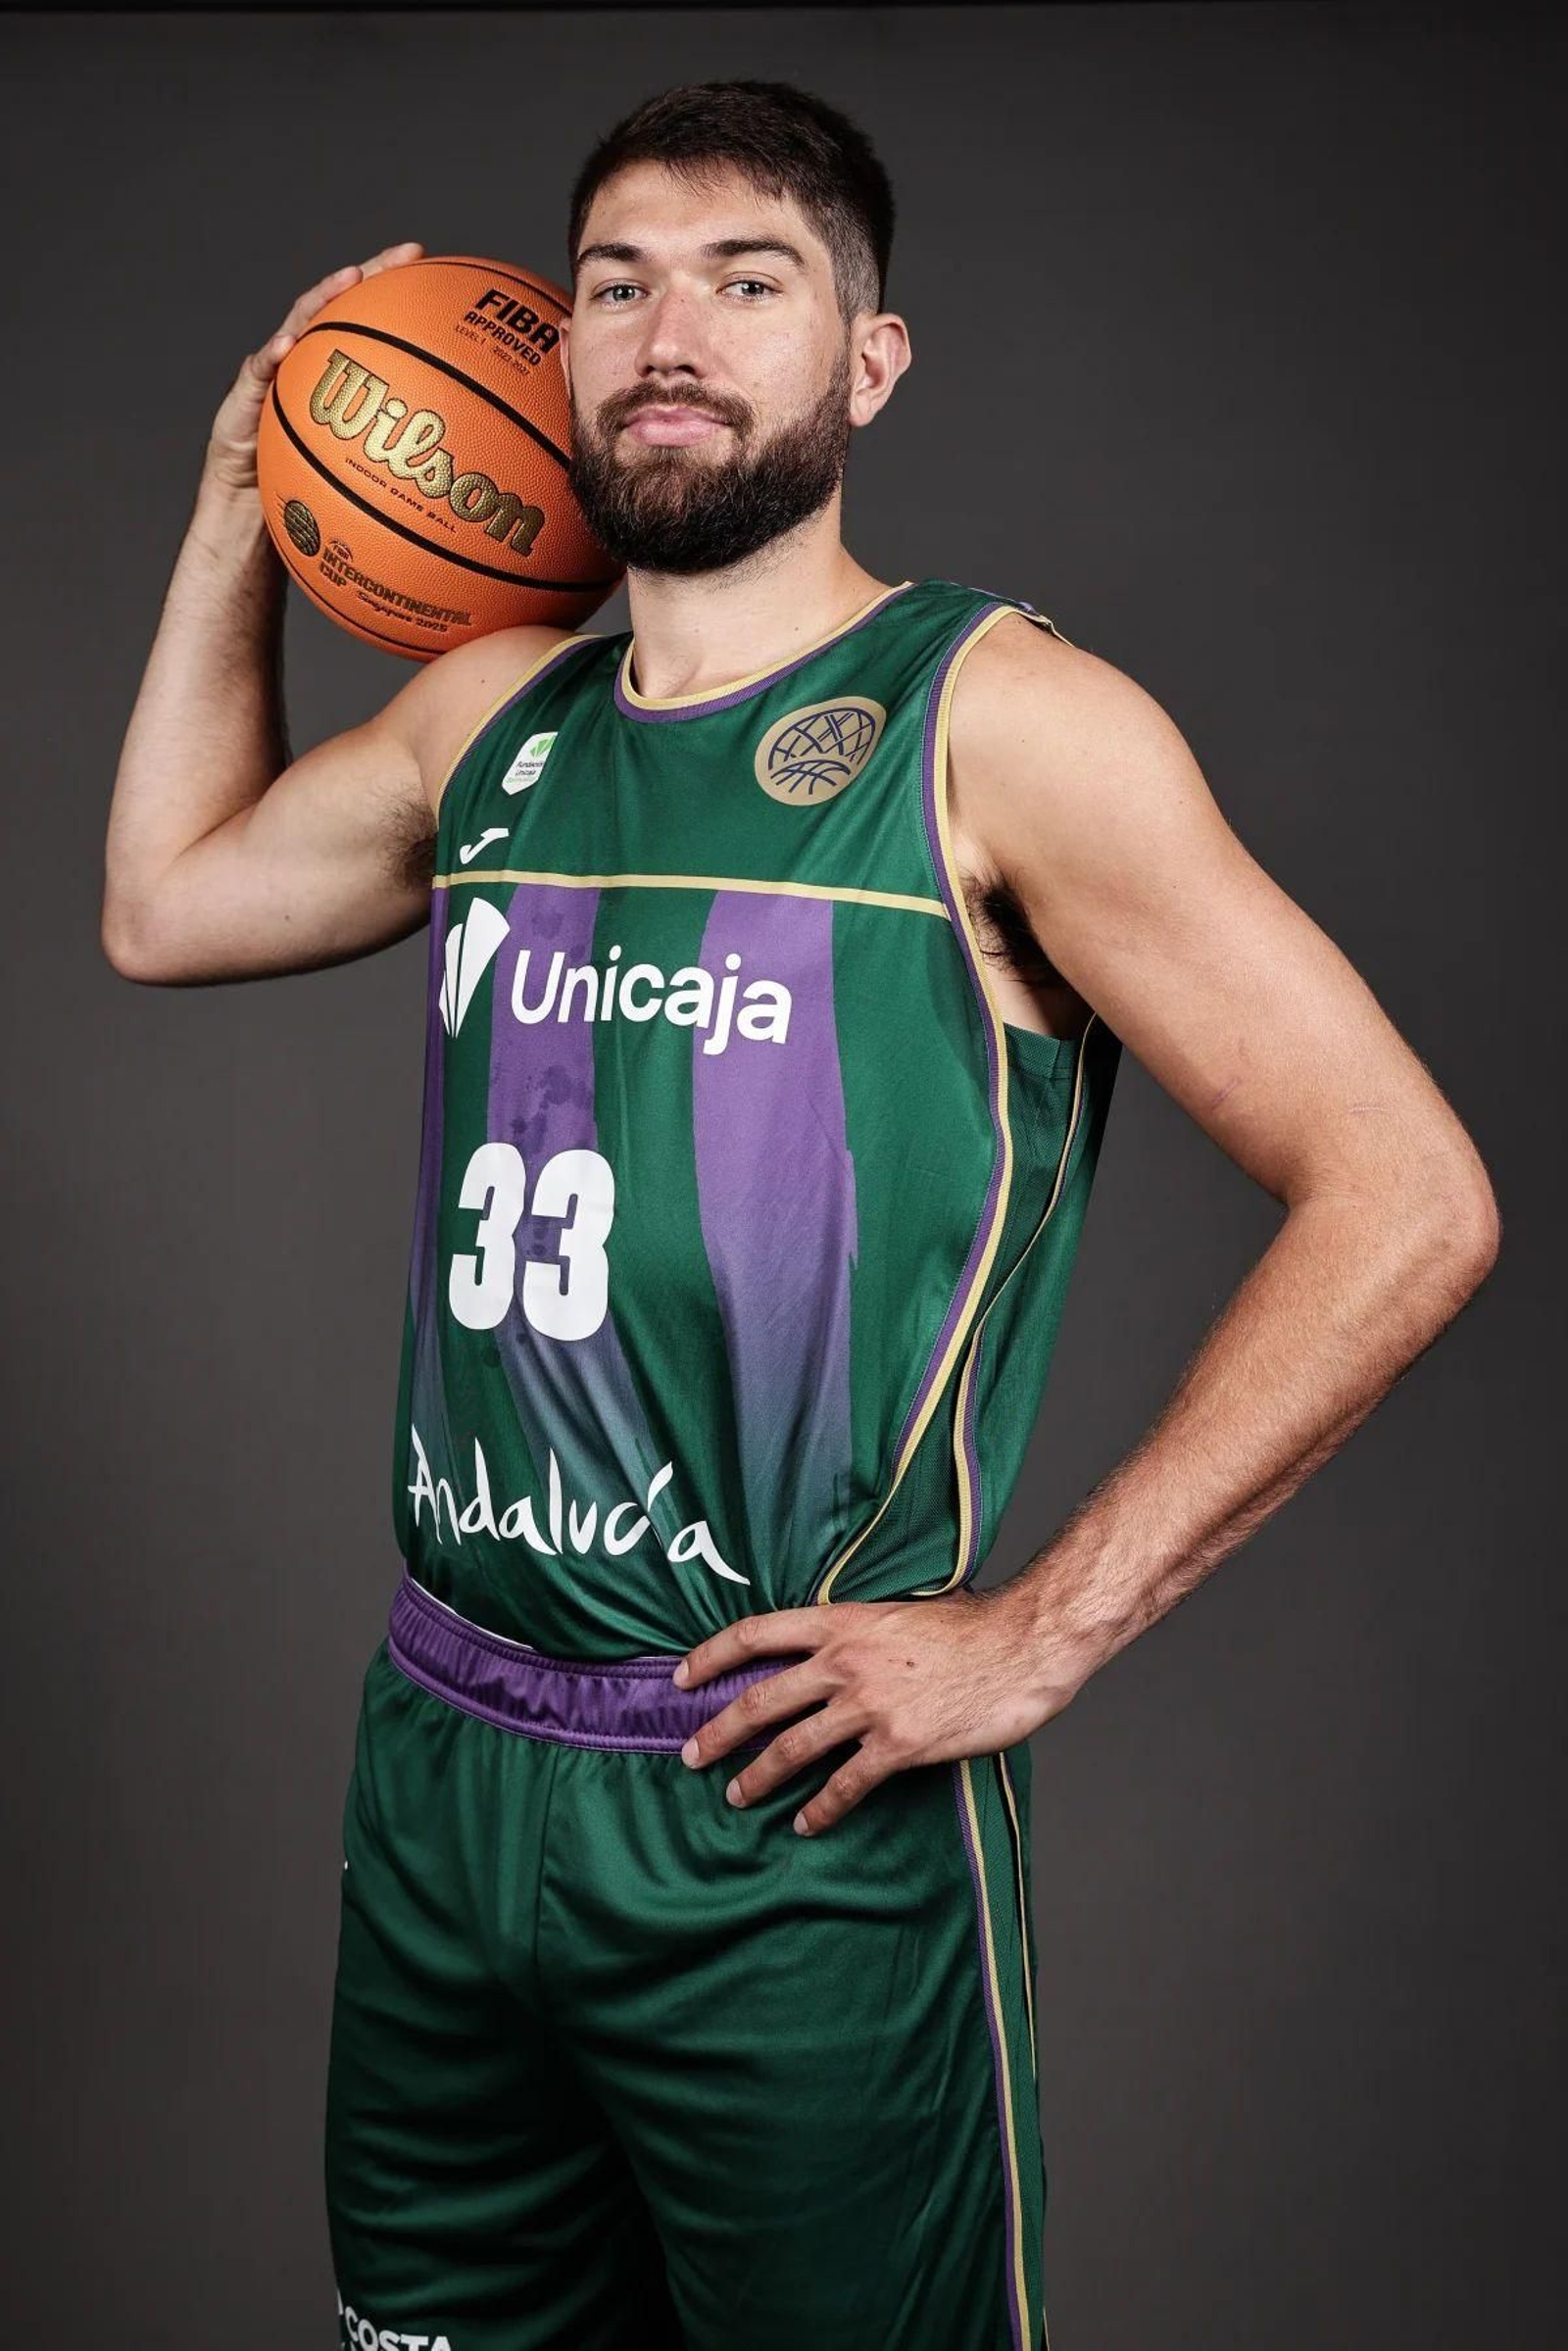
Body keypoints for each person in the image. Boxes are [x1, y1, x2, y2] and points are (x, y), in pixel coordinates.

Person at [101, 76, 1498, 2351]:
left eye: (745, 283)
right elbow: (162, 905)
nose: (669, 334)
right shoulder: (488, 724)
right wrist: (231, 509)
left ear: (866, 361)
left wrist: (1037, 1631)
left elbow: (1405, 1193)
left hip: (777, 1811)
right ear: (555, 348)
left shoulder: (1000, 725)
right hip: (443, 1765)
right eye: (617, 285)